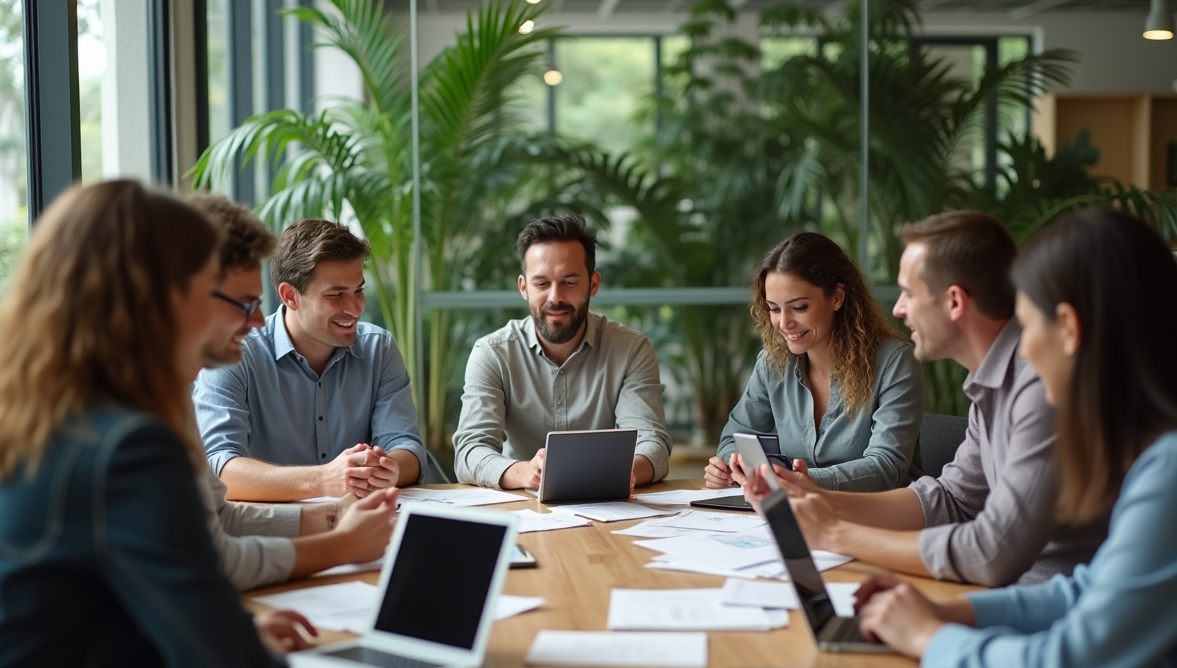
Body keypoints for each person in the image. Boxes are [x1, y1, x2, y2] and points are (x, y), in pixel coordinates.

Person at [0, 181, 302, 668]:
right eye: (210, 288)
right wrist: (256, 660)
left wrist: (231, 633)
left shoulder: (26, 418)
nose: (247, 322)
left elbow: (75, 625)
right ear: (158, 300)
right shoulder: (128, 451)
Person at [853, 208, 1177, 668]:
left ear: (1071, 330)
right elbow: (1084, 594)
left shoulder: (1170, 475)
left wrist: (931, 637)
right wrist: (953, 614)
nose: (1023, 354)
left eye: (1029, 328)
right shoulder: (1155, 457)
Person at [751, 211, 1108, 587]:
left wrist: (836, 534)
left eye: (909, 293)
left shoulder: (1041, 383)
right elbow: (951, 500)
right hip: (1013, 597)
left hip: (1051, 609)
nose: (899, 309)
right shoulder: (991, 383)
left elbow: (992, 552)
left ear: (954, 302)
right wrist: (815, 498)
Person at [188, 194, 397, 590]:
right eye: (243, 304)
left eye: (358, 290)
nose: (255, 323)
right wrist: (340, 539)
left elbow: (220, 521)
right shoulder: (132, 409)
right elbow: (208, 555)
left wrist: (335, 517)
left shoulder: (169, 392)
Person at [195, 218, 426, 501]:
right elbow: (219, 469)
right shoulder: (234, 353)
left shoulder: (379, 349)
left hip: (361, 527)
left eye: (358, 291)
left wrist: (389, 470)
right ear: (290, 295)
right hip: (268, 534)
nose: (355, 308)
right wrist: (324, 479)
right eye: (336, 295)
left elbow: (408, 448)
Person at [453, 214, 671, 490]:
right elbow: (470, 450)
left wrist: (626, 471)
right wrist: (524, 473)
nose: (555, 297)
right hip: (523, 508)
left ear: (593, 284)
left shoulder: (631, 350)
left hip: (610, 508)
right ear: (524, 287)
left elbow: (653, 444)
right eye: (542, 283)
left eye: (569, 282)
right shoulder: (492, 354)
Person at [705, 231, 924, 492]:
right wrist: (731, 466)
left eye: (799, 307)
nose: (784, 323)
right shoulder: (773, 364)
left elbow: (887, 466)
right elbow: (736, 437)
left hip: (875, 518)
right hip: (795, 513)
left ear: (837, 298)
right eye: (774, 309)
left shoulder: (894, 363)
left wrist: (803, 482)